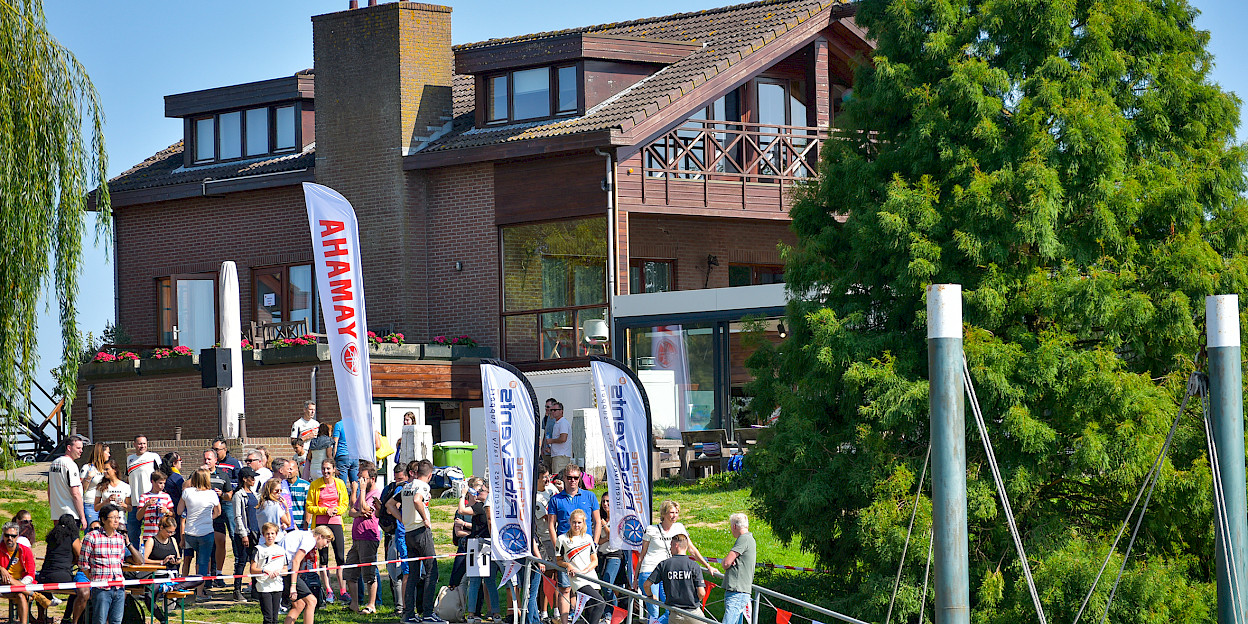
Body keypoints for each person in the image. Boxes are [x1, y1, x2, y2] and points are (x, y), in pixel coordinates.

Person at [635, 500, 713, 621]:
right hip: (649, 570)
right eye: (671, 512)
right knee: (654, 610)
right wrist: (635, 578)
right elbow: (642, 555)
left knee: (671, 610)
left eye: (677, 512)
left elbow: (692, 549)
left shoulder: (679, 527)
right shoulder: (651, 529)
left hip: (667, 572)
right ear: (664, 513)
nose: (674, 515)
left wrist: (707, 566)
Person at [547, 463, 601, 620]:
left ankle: (584, 619)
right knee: (565, 588)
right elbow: (551, 525)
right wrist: (558, 548)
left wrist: (595, 544)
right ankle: (565, 621)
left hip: (586, 548)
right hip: (566, 548)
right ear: (564, 478)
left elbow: (597, 521)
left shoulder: (589, 496)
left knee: (589, 588)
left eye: (575, 478)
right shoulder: (555, 499)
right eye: (569, 477)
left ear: (580, 479)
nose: (572, 481)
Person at [391, 460, 440, 624]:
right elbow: (417, 500)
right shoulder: (422, 486)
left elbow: (390, 505)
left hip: (408, 533)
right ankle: (428, 613)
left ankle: (409, 614)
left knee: (413, 574)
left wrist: (402, 519)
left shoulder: (407, 486)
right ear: (430, 475)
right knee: (432, 571)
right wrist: (425, 518)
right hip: (420, 531)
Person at [81, 504, 143, 624]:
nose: (116, 520)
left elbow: (128, 561)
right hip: (101, 587)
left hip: (119, 587)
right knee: (100, 621)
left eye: (118, 517)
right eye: (113, 517)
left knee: (116, 621)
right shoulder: (91, 537)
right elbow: (83, 564)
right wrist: (95, 579)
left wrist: (128, 543)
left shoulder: (120, 539)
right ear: (103, 520)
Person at [307, 458, 349, 603]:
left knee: (340, 557)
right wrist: (325, 510)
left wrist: (337, 510)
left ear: (334, 469)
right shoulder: (315, 485)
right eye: (323, 468)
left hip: (336, 522)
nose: (326, 471)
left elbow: (345, 504)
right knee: (323, 558)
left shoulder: (340, 483)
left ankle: (343, 590)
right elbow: (309, 506)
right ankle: (328, 590)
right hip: (321, 524)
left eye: (328, 469)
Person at [177, 468, 221, 599]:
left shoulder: (187, 492)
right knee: (203, 563)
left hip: (189, 532)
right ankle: (200, 592)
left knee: (187, 560)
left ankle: (182, 587)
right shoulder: (212, 494)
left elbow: (179, 511)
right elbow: (218, 512)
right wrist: (209, 518)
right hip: (206, 532)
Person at [38, 515, 90, 624]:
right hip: (63, 577)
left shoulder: (52, 537)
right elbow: (80, 555)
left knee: (40, 585)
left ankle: (41, 617)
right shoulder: (72, 536)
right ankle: (70, 619)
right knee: (78, 589)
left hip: (45, 576)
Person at [556, 509, 604, 624]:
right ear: (570, 522)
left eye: (579, 522)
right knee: (600, 603)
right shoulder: (562, 539)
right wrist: (568, 565)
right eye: (574, 522)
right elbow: (558, 561)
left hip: (591, 576)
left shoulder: (588, 538)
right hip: (577, 579)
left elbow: (595, 560)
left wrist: (586, 570)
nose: (576, 525)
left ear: (583, 523)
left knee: (590, 611)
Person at [644, 534, 706, 624]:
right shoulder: (694, 565)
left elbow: (646, 585)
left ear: (676, 545)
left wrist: (650, 596)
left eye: (671, 545)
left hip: (674, 614)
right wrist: (695, 601)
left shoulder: (664, 564)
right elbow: (702, 593)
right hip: (693, 613)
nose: (670, 548)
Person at [345, 461, 382, 613]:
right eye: (360, 478)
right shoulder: (364, 493)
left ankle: (371, 604)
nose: (361, 481)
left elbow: (365, 508)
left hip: (368, 537)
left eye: (364, 478)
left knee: (369, 574)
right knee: (350, 571)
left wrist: (361, 491)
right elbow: (352, 511)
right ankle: (354, 604)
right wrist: (360, 512)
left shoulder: (376, 494)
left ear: (372, 479)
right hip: (356, 537)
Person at [465, 484, 501, 623]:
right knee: (477, 581)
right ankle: (475, 613)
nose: (479, 491)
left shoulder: (484, 506)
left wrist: (462, 495)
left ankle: (493, 612)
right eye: (479, 490)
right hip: (477, 543)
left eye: (482, 490)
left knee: (489, 580)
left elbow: (462, 509)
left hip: (486, 543)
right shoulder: (479, 506)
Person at [282, 526, 334, 624]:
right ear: (320, 536)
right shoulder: (310, 540)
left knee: (299, 605)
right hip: (286, 570)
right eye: (327, 541)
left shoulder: (306, 535)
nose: (326, 545)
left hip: (286, 569)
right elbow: (296, 560)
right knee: (312, 601)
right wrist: (293, 586)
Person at [527, 466, 557, 624]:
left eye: (548, 476)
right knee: (547, 575)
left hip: (557, 537)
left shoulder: (551, 489)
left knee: (559, 575)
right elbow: (548, 517)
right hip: (544, 539)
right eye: (544, 477)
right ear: (537, 479)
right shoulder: (535, 497)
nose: (547, 479)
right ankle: (543, 611)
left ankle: (557, 610)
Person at [205, 446, 237, 588]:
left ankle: (218, 573)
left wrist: (221, 494)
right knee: (206, 544)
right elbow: (186, 486)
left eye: (209, 459)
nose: (206, 461)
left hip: (218, 513)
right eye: (205, 459)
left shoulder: (223, 475)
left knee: (220, 541)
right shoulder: (199, 474)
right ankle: (206, 576)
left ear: (215, 460)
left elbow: (229, 495)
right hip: (203, 514)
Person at [381, 461, 409, 616]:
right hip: (391, 534)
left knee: (401, 572)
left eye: (401, 479)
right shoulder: (390, 488)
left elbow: (391, 509)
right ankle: (400, 606)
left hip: (402, 534)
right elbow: (387, 509)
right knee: (394, 571)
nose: (398, 482)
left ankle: (402, 607)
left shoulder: (406, 488)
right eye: (396, 479)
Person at [126, 435, 161, 549]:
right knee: (132, 533)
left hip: (150, 501)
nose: (142, 446)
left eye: (144, 443)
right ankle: (135, 556)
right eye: (140, 443)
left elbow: (161, 476)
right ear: (134, 444)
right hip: (135, 502)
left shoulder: (153, 457)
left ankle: (152, 555)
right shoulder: (129, 459)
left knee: (152, 533)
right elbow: (128, 479)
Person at [596, 493, 630, 611]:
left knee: (607, 584)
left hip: (615, 555)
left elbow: (614, 537)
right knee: (604, 586)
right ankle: (610, 612)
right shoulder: (599, 518)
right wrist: (607, 538)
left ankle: (613, 612)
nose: (605, 504)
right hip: (602, 555)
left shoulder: (618, 519)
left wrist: (604, 526)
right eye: (603, 501)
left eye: (608, 501)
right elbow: (598, 540)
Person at [720, 513, 756, 624]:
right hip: (742, 591)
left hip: (736, 591)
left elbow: (726, 563)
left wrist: (726, 561)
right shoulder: (750, 539)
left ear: (734, 526)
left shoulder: (743, 539)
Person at [233, 467, 262, 602]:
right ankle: (237, 590)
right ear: (244, 479)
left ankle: (255, 590)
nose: (254, 480)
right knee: (241, 561)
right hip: (245, 533)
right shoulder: (238, 495)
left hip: (255, 532)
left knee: (255, 561)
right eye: (251, 477)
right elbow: (238, 516)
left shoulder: (255, 494)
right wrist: (243, 534)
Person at [1, 521, 37, 624]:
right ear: (3, 536)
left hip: (22, 583)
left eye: (13, 536)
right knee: (10, 581)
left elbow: (31, 573)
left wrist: (20, 584)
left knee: (21, 595)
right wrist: (1, 568)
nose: (10, 538)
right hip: (3, 584)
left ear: (17, 536)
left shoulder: (25, 550)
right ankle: (37, 596)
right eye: (7, 535)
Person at [252, 523, 287, 624]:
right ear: (263, 535)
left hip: (277, 586)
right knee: (268, 618)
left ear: (276, 534)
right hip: (264, 586)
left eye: (272, 533)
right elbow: (253, 569)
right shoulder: (258, 549)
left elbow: (285, 570)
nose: (270, 536)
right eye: (267, 534)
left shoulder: (281, 550)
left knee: (275, 618)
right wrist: (264, 570)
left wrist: (279, 572)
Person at [49, 436, 85, 524]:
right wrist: (82, 517)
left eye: (81, 448)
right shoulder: (71, 465)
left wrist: (53, 508)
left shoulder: (54, 464)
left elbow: (49, 490)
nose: (81, 451)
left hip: (57, 514)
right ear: (69, 448)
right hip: (71, 514)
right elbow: (75, 493)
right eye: (78, 448)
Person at [137, 471, 174, 544]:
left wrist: (166, 511)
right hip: (149, 534)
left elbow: (173, 514)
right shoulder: (144, 496)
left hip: (163, 534)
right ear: (152, 482)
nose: (162, 486)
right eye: (160, 483)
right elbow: (138, 517)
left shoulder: (166, 496)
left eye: (164, 483)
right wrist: (146, 506)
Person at [81, 442, 111, 528]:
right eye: (107, 452)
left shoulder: (107, 468)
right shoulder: (87, 468)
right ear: (101, 453)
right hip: (90, 503)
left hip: (104, 503)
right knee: (93, 530)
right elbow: (81, 489)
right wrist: (89, 478)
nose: (109, 455)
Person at [330, 420, 360, 501]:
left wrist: (333, 460)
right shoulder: (355, 425)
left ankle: (343, 504)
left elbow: (335, 443)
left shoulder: (339, 425)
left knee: (341, 484)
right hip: (354, 456)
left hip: (342, 456)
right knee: (356, 483)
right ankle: (357, 504)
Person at [542, 401, 572, 475]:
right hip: (556, 456)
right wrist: (551, 449)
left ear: (561, 411)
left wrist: (551, 441)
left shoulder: (563, 422)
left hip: (561, 457)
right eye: (551, 410)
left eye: (555, 410)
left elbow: (563, 438)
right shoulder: (557, 422)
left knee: (558, 478)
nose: (552, 412)